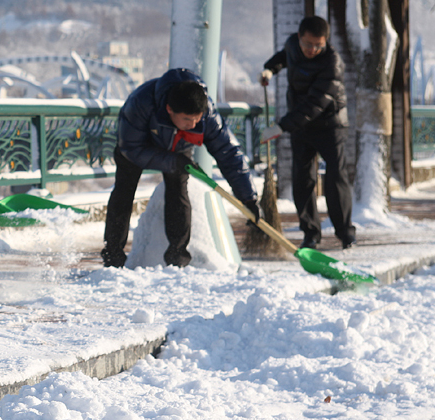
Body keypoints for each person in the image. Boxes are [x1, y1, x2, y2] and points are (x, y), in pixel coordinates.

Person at [101, 68, 258, 268]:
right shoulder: (140, 103)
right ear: (169, 110)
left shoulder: (207, 113)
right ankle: (113, 256)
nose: (193, 124)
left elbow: (228, 152)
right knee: (124, 191)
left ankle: (177, 257)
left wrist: (248, 199)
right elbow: (131, 149)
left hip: (178, 145)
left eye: (197, 119)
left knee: (178, 191)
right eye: (186, 119)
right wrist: (172, 161)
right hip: (136, 146)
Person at [259, 15, 354, 250]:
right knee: (302, 179)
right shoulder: (293, 45)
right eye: (308, 44)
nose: (313, 50)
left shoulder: (332, 62)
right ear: (299, 37)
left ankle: (345, 233)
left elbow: (315, 104)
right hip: (301, 126)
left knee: (335, 178)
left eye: (318, 45)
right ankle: (310, 233)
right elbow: (285, 56)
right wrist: (270, 69)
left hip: (330, 124)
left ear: (326, 42)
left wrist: (281, 126)